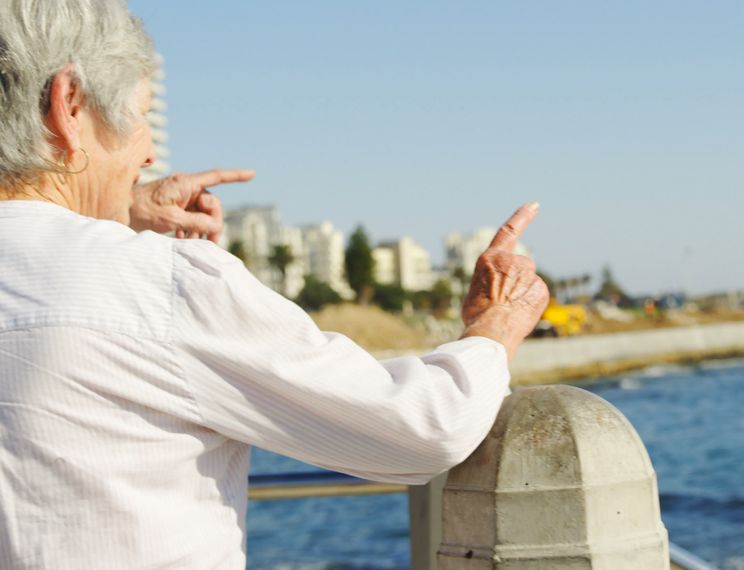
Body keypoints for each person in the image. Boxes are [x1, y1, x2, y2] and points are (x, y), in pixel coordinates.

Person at [0, 0, 549, 567]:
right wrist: (495, 324)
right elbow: (421, 431)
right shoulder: (160, 282)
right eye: (140, 115)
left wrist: (118, 209)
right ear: (69, 105)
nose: (150, 149)